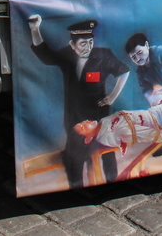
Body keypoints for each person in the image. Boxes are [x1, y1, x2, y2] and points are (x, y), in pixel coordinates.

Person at [28, 16, 129, 189]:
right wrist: (34, 28)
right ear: (72, 45)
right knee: (74, 156)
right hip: (75, 116)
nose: (88, 47)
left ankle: (113, 182)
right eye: (83, 43)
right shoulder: (66, 55)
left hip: (100, 116)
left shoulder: (103, 55)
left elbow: (123, 71)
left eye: (90, 42)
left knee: (107, 152)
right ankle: (76, 187)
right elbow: (45, 56)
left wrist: (112, 96)